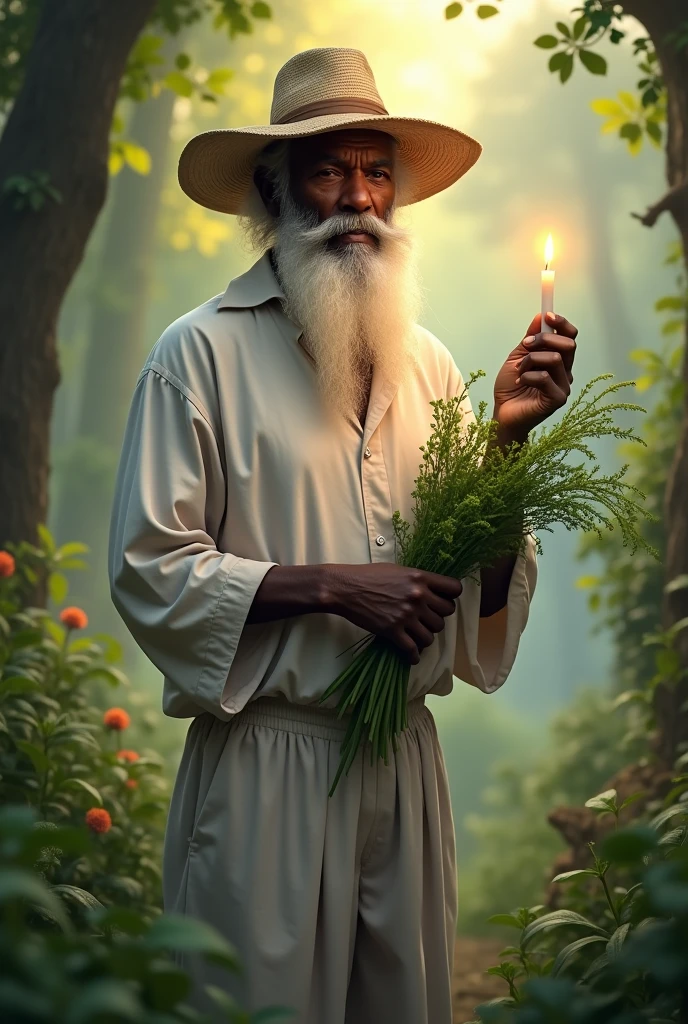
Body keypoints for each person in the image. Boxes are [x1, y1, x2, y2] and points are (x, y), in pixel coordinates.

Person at [108, 46, 577, 1024]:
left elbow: (475, 585)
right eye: (327, 169)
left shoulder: (434, 366)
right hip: (263, 769)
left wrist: (503, 444)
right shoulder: (198, 354)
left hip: (400, 763)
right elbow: (151, 567)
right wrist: (332, 586)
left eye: (375, 171)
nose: (357, 197)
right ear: (274, 192)